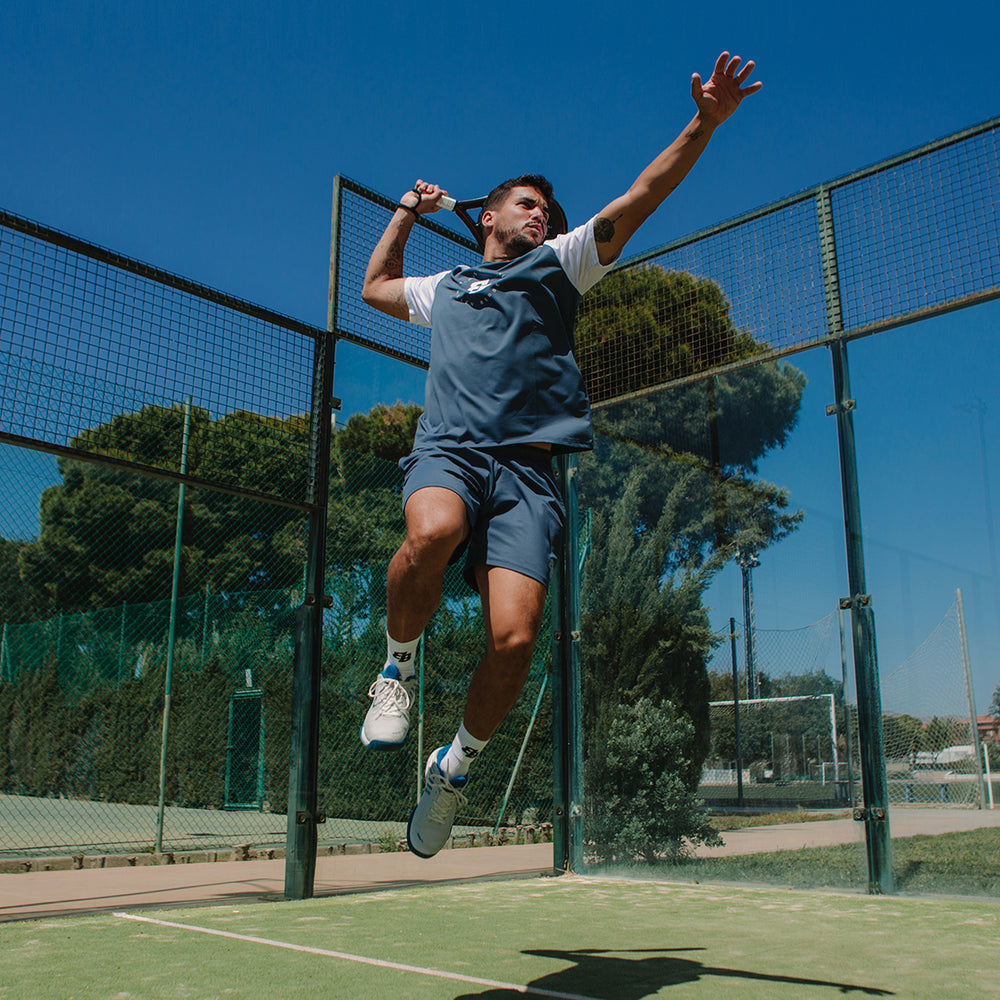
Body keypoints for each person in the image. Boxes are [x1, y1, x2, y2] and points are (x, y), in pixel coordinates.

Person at [359, 52, 762, 858]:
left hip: (529, 477)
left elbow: (640, 196)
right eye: (526, 203)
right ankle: (398, 670)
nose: (541, 214)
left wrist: (704, 124)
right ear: (489, 218)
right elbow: (373, 286)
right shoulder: (448, 287)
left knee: (513, 641)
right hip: (451, 451)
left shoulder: (562, 264)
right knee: (432, 533)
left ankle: (453, 770)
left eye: (547, 208)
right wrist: (406, 209)